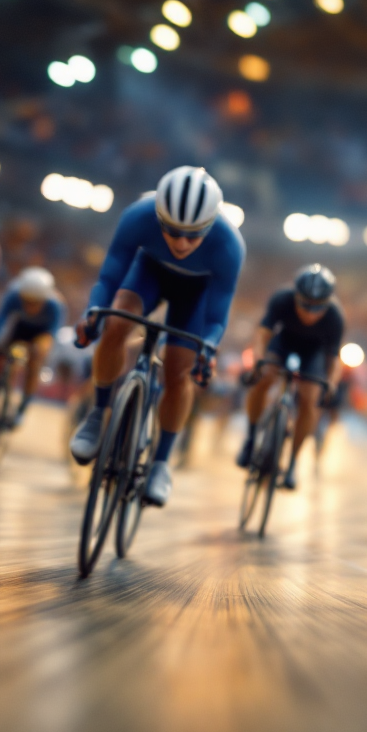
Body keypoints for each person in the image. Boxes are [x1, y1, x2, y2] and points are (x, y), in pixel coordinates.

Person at [70, 166, 244, 507]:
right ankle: (97, 413)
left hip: (196, 293)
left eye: (193, 235)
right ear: (157, 216)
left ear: (210, 225)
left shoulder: (230, 244)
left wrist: (207, 348)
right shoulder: (138, 215)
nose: (181, 243)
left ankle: (161, 462)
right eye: (172, 230)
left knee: (179, 370)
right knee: (116, 322)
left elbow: (216, 316)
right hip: (148, 272)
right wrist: (93, 313)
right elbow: (109, 277)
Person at [236, 264, 343, 490]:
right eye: (304, 304)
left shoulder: (335, 316)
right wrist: (258, 361)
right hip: (282, 343)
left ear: (328, 302)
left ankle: (293, 461)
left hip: (313, 352)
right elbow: (263, 333)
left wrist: (330, 385)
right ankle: (251, 438)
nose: (310, 313)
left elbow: (334, 359)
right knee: (264, 378)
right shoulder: (282, 300)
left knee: (309, 399)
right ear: (295, 295)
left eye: (318, 307)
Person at [0, 267, 65, 428]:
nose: (29, 306)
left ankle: (23, 406)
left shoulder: (55, 305)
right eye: (26, 301)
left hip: (40, 334)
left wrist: (41, 349)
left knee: (35, 360)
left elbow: (52, 335)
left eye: (35, 302)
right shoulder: (13, 295)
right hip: (18, 328)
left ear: (45, 298)